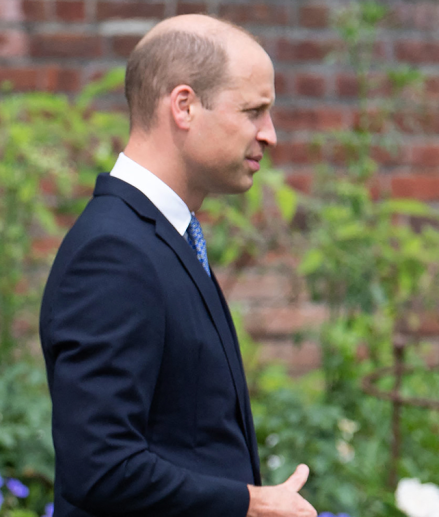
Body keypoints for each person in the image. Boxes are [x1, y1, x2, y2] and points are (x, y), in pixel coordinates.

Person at [39, 14, 317, 517]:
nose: (270, 134)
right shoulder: (114, 253)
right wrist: (249, 503)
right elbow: (100, 467)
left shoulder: (163, 237)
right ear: (184, 106)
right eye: (254, 111)